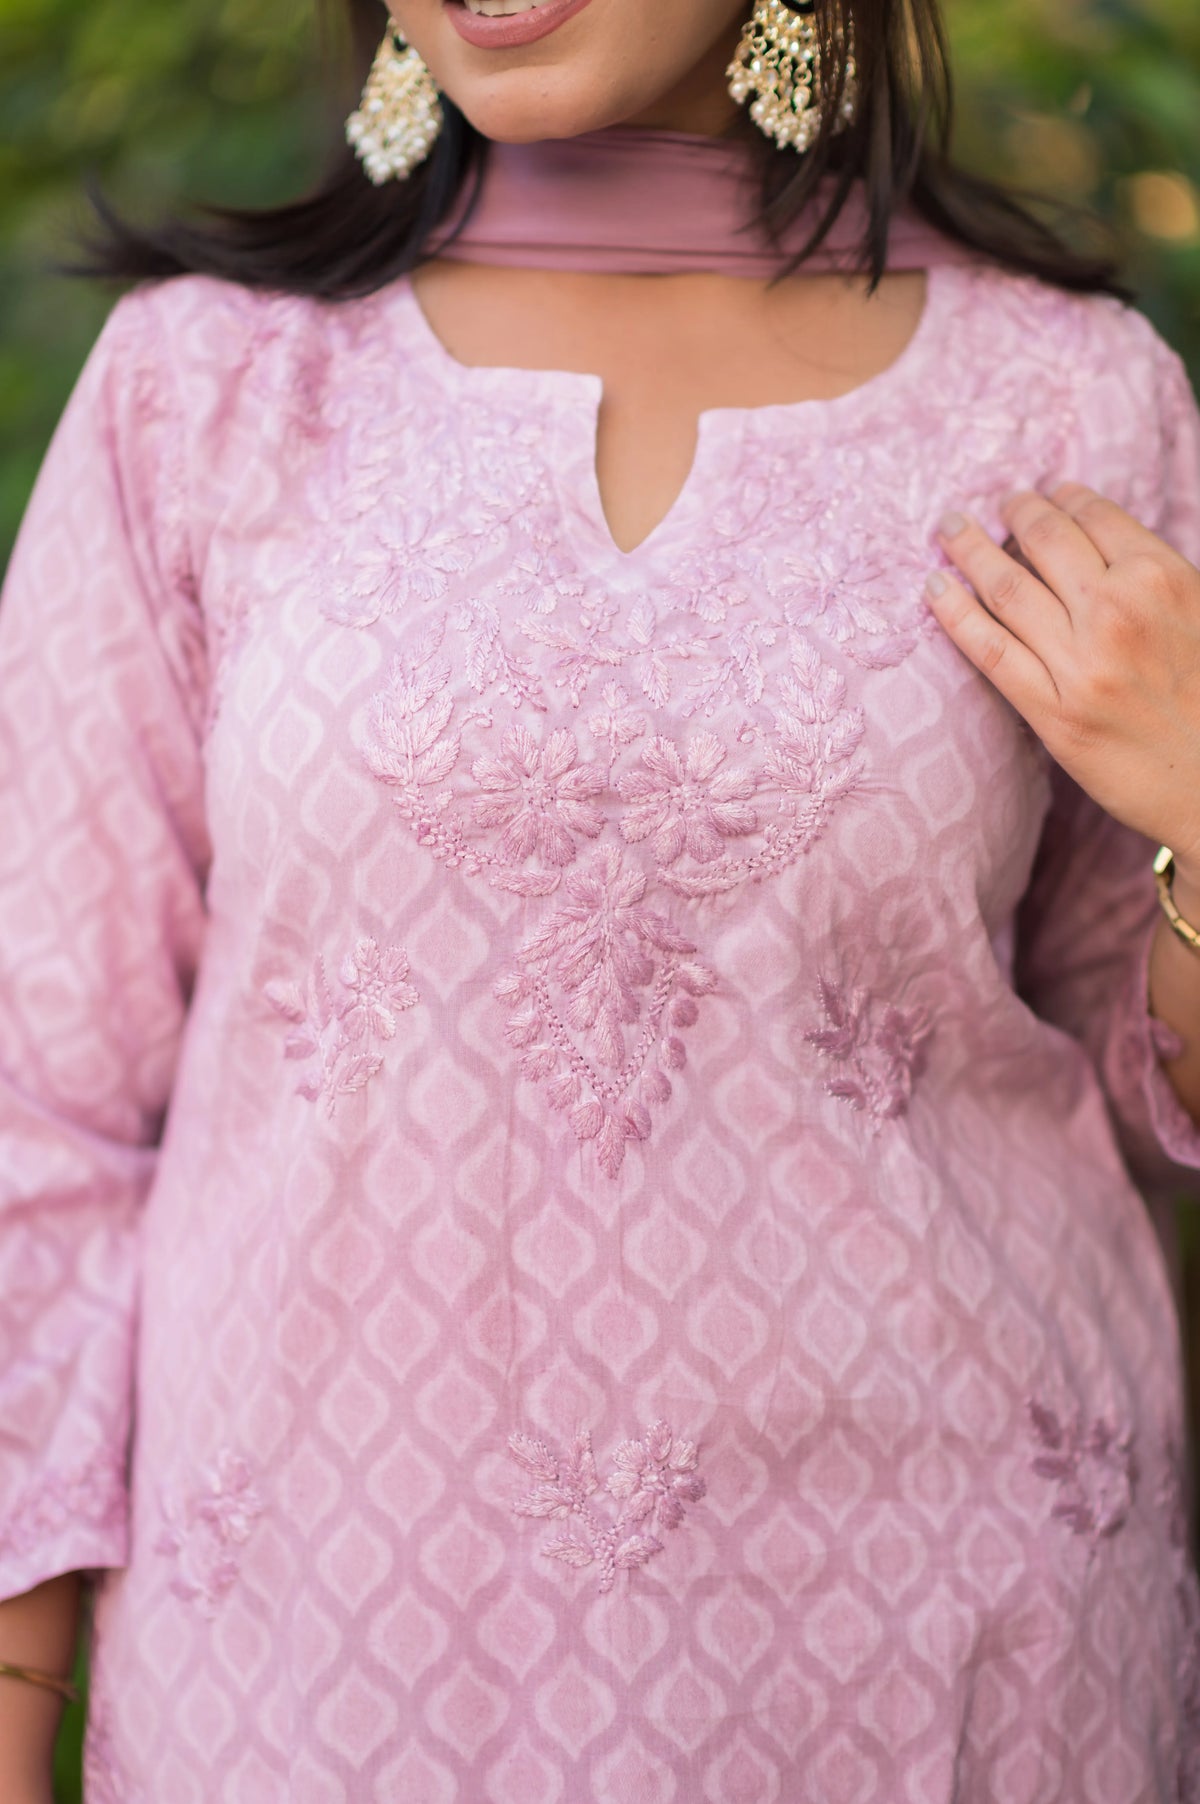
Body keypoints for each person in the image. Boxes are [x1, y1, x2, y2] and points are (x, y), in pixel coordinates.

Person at [2, 0, 1200, 1795]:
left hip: (951, 1657)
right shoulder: (212, 390)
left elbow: (1144, 1075)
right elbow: (40, 1119)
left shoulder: (1070, 399)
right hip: (315, 1688)